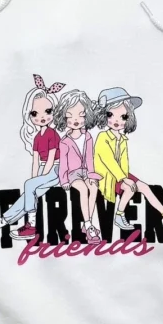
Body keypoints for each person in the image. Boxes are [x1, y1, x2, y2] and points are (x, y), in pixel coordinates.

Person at [0, 74, 65, 241]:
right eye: (35, 113)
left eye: (48, 111)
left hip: (57, 168)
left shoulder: (52, 133)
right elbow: (35, 160)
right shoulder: (36, 138)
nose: (42, 116)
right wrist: (36, 177)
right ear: (29, 115)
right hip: (45, 169)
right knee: (25, 198)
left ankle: (31, 226)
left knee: (29, 186)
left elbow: (51, 158)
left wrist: (38, 179)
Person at [93, 87, 163, 231]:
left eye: (123, 116)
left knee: (144, 187)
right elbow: (108, 161)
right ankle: (119, 215)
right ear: (103, 115)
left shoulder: (123, 139)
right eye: (110, 115)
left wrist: (125, 177)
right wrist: (124, 179)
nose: (117, 120)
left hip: (121, 174)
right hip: (105, 176)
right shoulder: (102, 137)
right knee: (130, 188)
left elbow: (124, 163)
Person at [53, 89, 102, 244]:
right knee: (83, 189)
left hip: (85, 171)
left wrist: (91, 174)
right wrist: (64, 180)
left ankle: (88, 224)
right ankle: (88, 225)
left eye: (81, 115)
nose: (76, 120)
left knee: (94, 187)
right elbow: (63, 163)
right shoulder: (64, 141)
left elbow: (89, 158)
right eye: (70, 115)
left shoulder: (88, 136)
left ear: (87, 116)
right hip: (72, 174)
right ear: (63, 116)